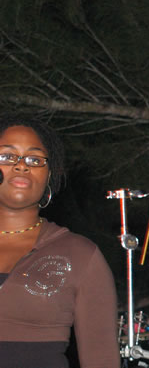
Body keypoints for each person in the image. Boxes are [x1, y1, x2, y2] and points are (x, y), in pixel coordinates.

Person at [0, 114, 120, 368]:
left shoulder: (80, 255)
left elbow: (102, 360)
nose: (22, 166)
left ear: (48, 178)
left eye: (35, 159)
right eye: (7, 156)